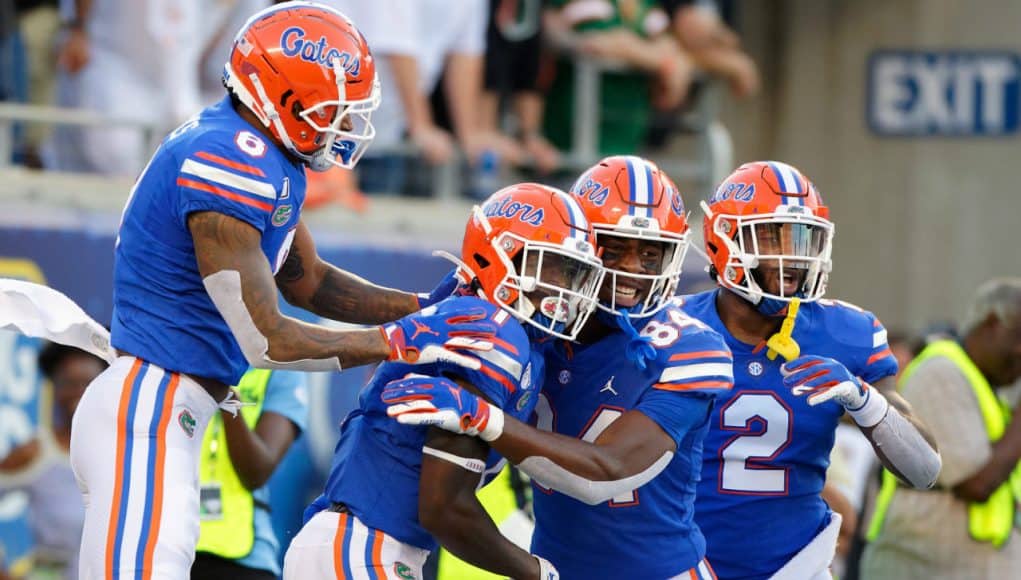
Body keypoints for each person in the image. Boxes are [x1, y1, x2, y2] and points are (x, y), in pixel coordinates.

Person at [68, 4, 498, 578]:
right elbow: (266, 340)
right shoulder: (231, 159)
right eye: (335, 110)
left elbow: (311, 283)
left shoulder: (258, 153)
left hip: (172, 405)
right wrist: (402, 341)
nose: (345, 126)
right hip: (150, 402)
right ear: (288, 97)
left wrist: (431, 308)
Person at [386, 156, 733, 578]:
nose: (631, 269)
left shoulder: (689, 347)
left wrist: (483, 418)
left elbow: (605, 474)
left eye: (650, 254)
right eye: (614, 248)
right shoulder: (528, 327)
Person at [283, 183, 605, 579]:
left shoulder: (515, 338)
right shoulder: (494, 329)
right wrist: (536, 572)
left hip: (363, 545)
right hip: (368, 548)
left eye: (575, 275)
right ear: (501, 255)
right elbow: (443, 507)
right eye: (554, 267)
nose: (566, 290)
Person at [678, 160, 941, 579]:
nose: (792, 256)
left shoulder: (847, 332)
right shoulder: (671, 328)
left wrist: (865, 400)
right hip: (682, 563)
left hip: (797, 566)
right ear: (723, 238)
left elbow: (924, 470)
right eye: (771, 236)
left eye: (802, 238)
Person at [862, 278, 1021, 579]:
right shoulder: (941, 372)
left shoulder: (988, 385)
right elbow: (975, 483)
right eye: (1019, 336)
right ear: (991, 323)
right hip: (923, 565)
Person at [0, 342, 107, 579]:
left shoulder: (123, 453)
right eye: (68, 383)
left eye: (88, 383)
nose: (79, 392)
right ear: (54, 389)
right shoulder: (38, 451)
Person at [191, 368, 308, 580]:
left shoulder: (280, 366)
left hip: (242, 555)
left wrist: (227, 399)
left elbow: (257, 472)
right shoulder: (173, 346)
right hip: (163, 544)